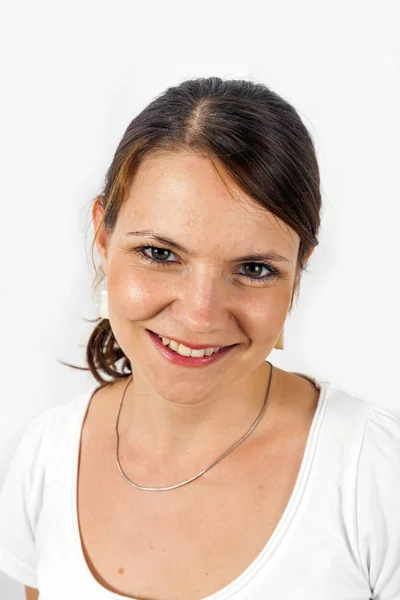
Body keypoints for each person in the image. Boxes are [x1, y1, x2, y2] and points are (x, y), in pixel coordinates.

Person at [0, 77, 399, 600]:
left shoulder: (372, 473)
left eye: (254, 268)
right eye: (161, 254)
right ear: (103, 236)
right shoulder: (47, 456)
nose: (199, 316)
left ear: (299, 271)